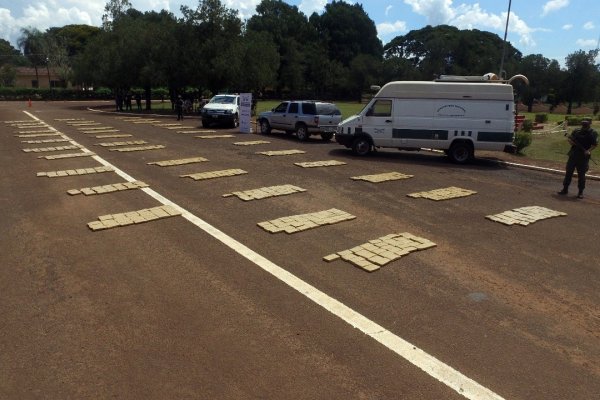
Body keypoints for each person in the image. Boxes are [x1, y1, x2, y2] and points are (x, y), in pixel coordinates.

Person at [558, 118, 598, 199]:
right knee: (568, 173)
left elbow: (595, 144)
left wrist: (588, 151)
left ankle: (580, 192)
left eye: (585, 126)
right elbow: (570, 139)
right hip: (573, 155)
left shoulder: (593, 133)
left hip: (583, 157)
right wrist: (570, 142)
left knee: (581, 175)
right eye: (583, 126)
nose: (584, 127)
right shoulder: (576, 131)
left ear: (589, 125)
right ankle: (565, 189)